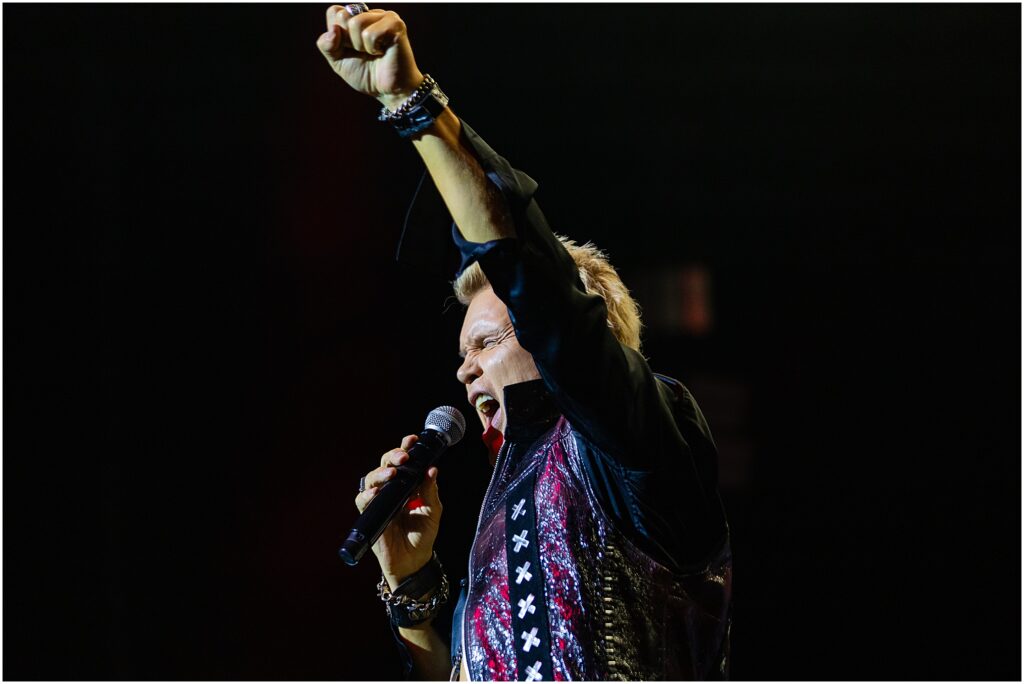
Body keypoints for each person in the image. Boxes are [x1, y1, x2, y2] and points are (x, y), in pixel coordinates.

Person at [317, 5, 732, 680]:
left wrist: (411, 103)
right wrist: (415, 586)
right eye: (461, 356)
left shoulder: (639, 448)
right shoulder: (497, 525)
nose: (465, 373)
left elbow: (537, 288)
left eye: (482, 342)